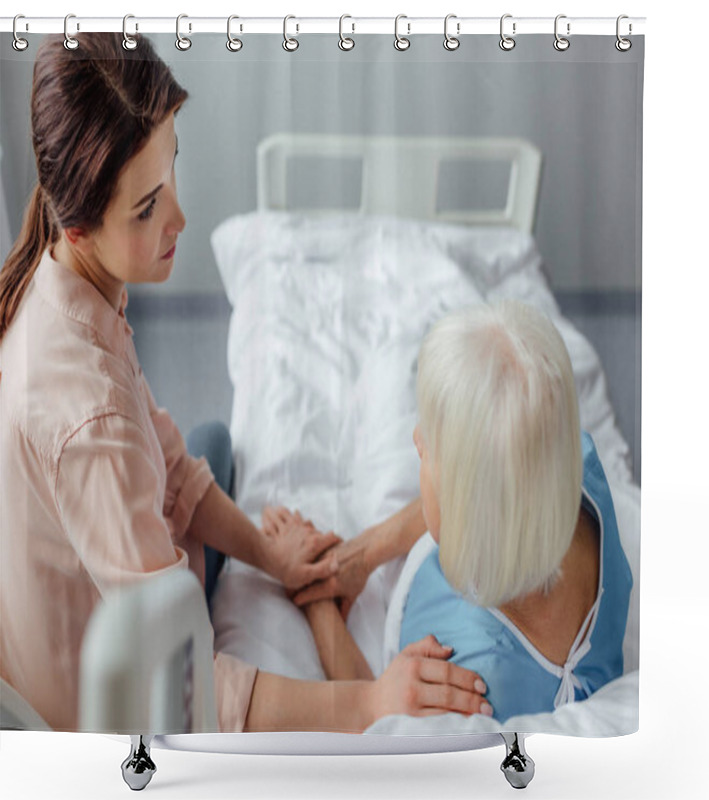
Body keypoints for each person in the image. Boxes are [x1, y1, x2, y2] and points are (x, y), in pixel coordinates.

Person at [0, 33, 489, 733]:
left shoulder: (66, 283)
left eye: (172, 176)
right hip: (99, 704)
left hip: (90, 585)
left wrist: (275, 558)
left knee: (208, 445)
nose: (178, 219)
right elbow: (179, 677)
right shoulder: (89, 415)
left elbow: (165, 458)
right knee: (208, 465)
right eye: (146, 209)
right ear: (78, 227)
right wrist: (373, 700)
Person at [297, 301, 632, 722]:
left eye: (431, 448)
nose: (417, 439)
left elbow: (379, 714)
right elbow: (492, 488)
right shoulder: (574, 472)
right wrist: (363, 553)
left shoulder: (463, 678)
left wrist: (314, 601)